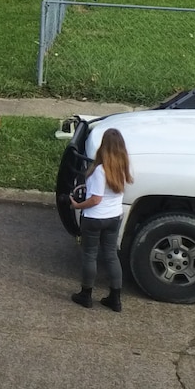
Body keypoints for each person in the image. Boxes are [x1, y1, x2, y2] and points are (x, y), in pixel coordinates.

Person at [70, 128, 132, 312]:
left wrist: (76, 205)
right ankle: (115, 298)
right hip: (114, 217)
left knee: (90, 255)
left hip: (95, 218)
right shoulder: (123, 166)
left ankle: (86, 295)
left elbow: (96, 199)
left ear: (103, 146)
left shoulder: (100, 170)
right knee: (111, 255)